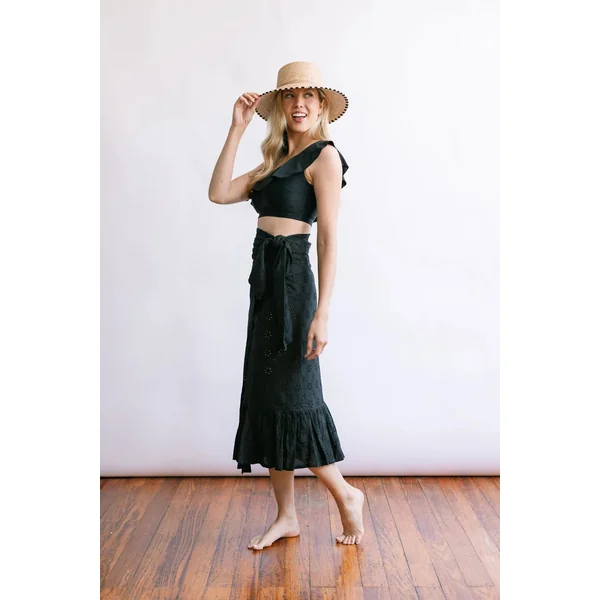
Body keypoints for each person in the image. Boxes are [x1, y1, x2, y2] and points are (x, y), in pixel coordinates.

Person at [208, 61, 364, 549]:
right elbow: (218, 193)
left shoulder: (325, 157)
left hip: (294, 283)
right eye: (290, 97)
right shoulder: (274, 159)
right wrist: (236, 129)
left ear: (321, 107)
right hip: (264, 285)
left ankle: (346, 494)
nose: (299, 104)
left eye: (309, 96)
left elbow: (330, 240)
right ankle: (286, 516)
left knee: (296, 395)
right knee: (268, 395)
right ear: (279, 107)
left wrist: (322, 312)